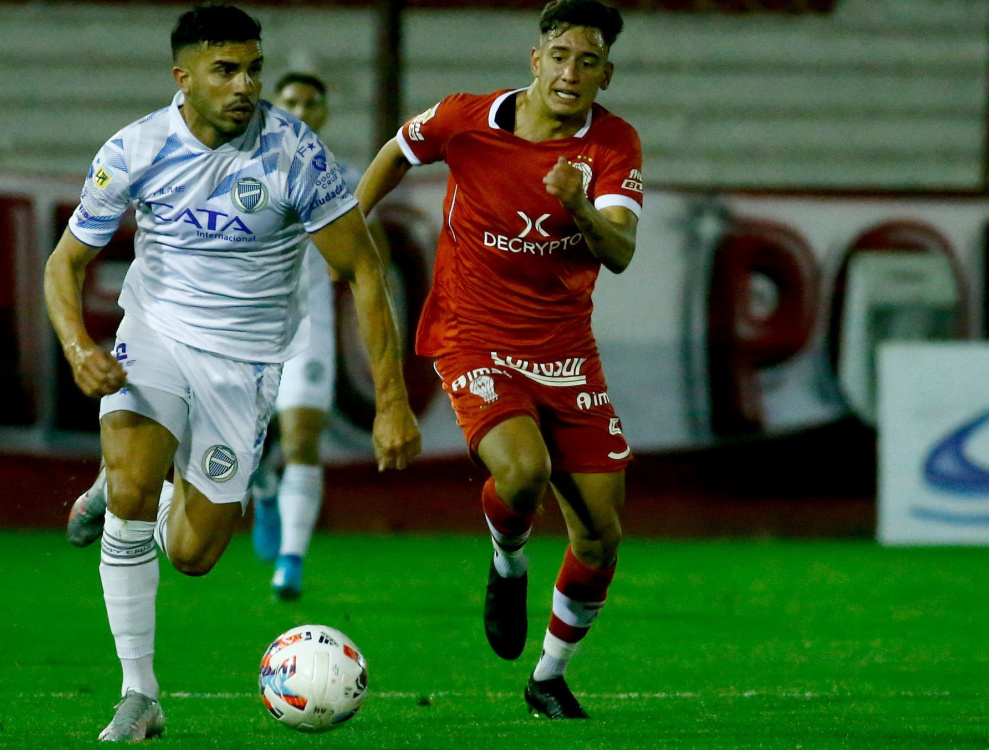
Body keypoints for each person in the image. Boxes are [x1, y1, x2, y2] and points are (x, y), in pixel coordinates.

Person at [47, 5, 420, 742]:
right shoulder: (135, 148)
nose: (245, 83)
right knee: (128, 491)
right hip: (153, 334)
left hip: (244, 365)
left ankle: (140, 488)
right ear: (183, 78)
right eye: (226, 70)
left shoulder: (296, 157)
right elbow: (66, 262)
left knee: (191, 554)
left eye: (253, 68)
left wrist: (391, 402)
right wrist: (77, 345)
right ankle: (140, 693)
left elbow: (364, 272)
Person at [355, 0, 641, 721]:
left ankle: (547, 676)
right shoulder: (465, 119)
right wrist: (351, 223)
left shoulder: (613, 144)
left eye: (589, 61)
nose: (572, 72)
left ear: (606, 75)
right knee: (523, 471)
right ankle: (507, 561)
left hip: (565, 349)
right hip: (472, 331)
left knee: (600, 535)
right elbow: (398, 150)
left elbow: (621, 253)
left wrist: (578, 208)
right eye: (561, 56)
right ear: (536, 60)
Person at [249, 71, 363, 601]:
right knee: (235, 443)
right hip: (241, 326)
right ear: (275, 106)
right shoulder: (240, 167)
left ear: (322, 115)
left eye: (311, 102)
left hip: (307, 328)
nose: (300, 108)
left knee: (300, 439)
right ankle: (263, 484)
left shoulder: (342, 178)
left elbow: (369, 252)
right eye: (290, 99)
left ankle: (290, 563)